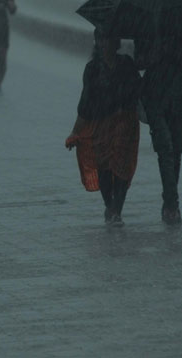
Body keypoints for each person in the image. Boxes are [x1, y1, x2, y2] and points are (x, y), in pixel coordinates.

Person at [65, 30, 142, 227]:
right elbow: (85, 104)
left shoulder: (127, 64)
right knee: (105, 167)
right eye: (103, 38)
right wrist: (75, 131)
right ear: (97, 42)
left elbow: (137, 92)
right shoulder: (92, 69)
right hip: (100, 125)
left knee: (122, 166)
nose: (107, 42)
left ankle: (117, 209)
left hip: (125, 124)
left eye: (111, 37)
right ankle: (111, 206)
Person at [136, 23, 182, 225]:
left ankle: (169, 199)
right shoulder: (144, 25)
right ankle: (172, 203)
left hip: (178, 98)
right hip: (154, 98)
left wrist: (173, 52)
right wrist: (155, 54)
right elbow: (139, 61)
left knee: (176, 152)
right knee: (166, 150)